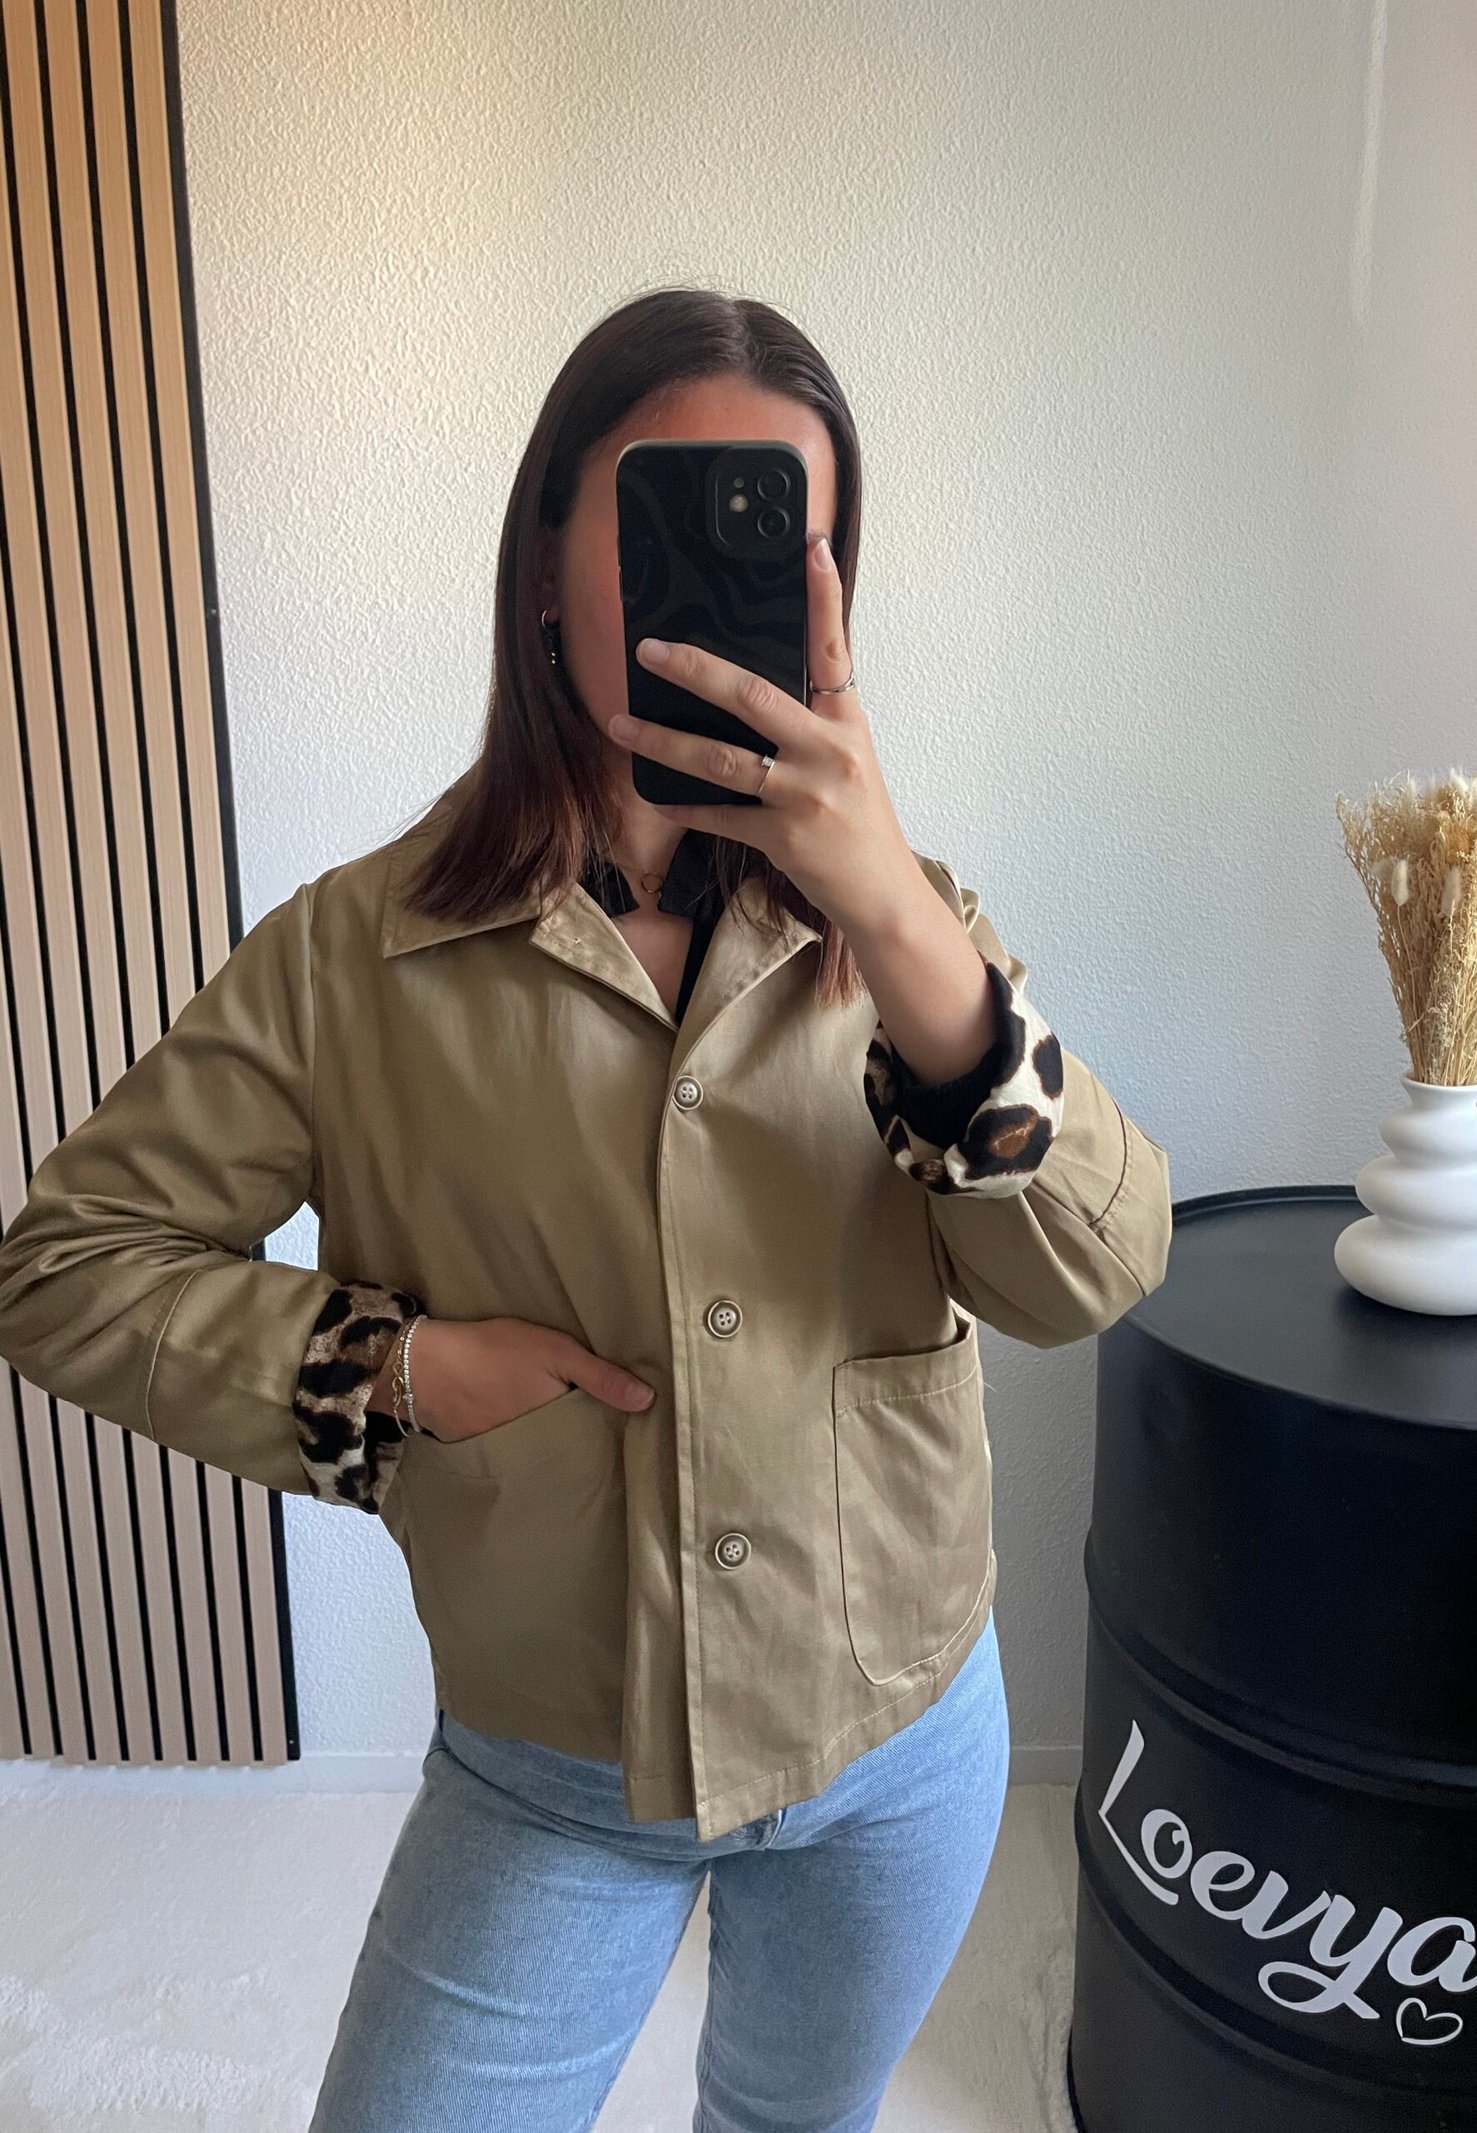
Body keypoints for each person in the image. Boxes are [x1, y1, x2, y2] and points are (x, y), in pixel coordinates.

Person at [0, 286, 1172, 2132]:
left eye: (781, 535)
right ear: (549, 559)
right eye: (660, 513)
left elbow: (1098, 1267)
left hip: (897, 1735)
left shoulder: (906, 930)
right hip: (558, 1757)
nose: (717, 579)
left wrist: (896, 914)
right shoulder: (354, 957)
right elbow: (64, 1268)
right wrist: (395, 1370)